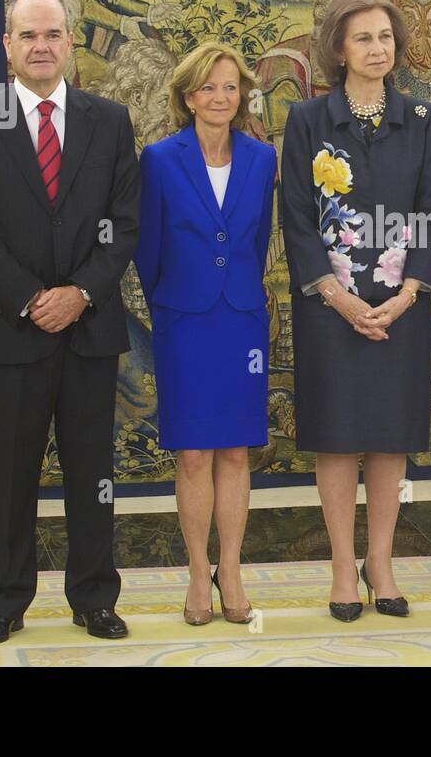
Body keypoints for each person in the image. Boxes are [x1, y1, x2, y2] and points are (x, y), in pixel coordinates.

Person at [0, 0, 140, 645]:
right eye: (27, 35)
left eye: (53, 34)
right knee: (16, 475)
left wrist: (80, 292)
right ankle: (2, 600)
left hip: (88, 328)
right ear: (8, 44)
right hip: (15, 329)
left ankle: (94, 597)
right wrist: (33, 298)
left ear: (69, 41)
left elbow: (124, 223)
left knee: (93, 472)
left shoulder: (109, 121)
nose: (40, 46)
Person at [280, 0, 431, 621]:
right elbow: (296, 218)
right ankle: (343, 568)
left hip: (401, 303)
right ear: (338, 50)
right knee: (337, 435)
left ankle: (381, 561)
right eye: (363, 39)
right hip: (331, 304)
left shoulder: (424, 118)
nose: (378, 49)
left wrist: (407, 295)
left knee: (387, 435)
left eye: (386, 38)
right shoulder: (307, 121)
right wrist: (337, 296)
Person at [134, 42, 276, 625]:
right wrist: (168, 306)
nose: (221, 97)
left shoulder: (262, 158)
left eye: (231, 87)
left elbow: (260, 238)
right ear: (188, 98)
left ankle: (233, 570)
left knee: (237, 450)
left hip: (241, 319)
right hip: (184, 322)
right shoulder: (160, 159)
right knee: (193, 454)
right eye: (209, 88)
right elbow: (147, 248)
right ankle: (198, 574)